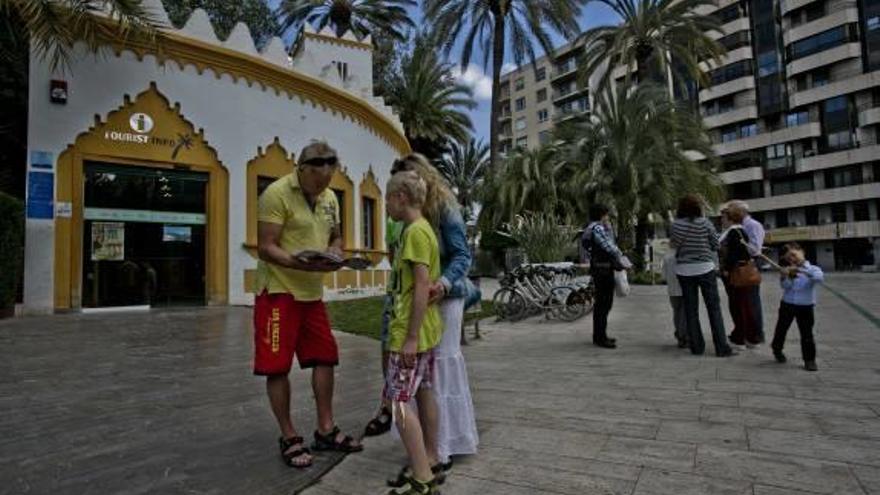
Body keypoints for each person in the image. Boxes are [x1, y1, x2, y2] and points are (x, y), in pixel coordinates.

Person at [253, 141, 362, 469]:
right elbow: (265, 247)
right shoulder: (276, 193)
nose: (323, 185)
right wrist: (300, 264)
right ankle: (288, 436)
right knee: (277, 366)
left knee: (326, 358)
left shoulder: (330, 198)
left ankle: (326, 429)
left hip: (312, 293)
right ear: (302, 168)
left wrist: (336, 252)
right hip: (278, 291)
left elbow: (336, 236)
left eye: (329, 178)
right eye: (317, 179)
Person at [389, 154, 478, 472]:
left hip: (446, 297)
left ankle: (445, 446)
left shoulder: (442, 208)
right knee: (426, 380)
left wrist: (442, 283)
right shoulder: (410, 222)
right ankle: (428, 449)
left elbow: (462, 255)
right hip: (420, 304)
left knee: (441, 366)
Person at [383, 170, 444, 495]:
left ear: (401, 198)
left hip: (411, 334)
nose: (386, 207)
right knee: (424, 391)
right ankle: (430, 459)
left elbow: (420, 285)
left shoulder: (414, 233)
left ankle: (422, 478)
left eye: (387, 199)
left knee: (398, 401)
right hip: (426, 332)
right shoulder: (424, 230)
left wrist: (408, 337)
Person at [670, 195, 736, 357]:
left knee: (691, 310)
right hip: (705, 269)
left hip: (684, 270)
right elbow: (715, 245)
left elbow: (674, 245)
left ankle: (696, 347)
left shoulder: (675, 225)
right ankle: (721, 347)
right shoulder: (705, 223)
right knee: (714, 308)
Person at [363, 216, 404, 438]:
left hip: (418, 291)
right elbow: (391, 251)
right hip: (395, 291)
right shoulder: (392, 220)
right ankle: (387, 406)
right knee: (388, 347)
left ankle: (406, 408)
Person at [582, 204, 631, 349]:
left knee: (601, 304)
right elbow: (609, 246)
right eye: (606, 215)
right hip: (603, 269)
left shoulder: (591, 227)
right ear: (602, 214)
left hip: (598, 268)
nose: (608, 217)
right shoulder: (597, 228)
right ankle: (600, 337)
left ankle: (600, 335)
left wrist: (608, 227)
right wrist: (623, 259)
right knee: (604, 303)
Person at [771, 243, 824, 371]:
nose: (792, 260)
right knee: (781, 329)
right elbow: (786, 287)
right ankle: (777, 349)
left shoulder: (813, 268)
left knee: (807, 334)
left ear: (802, 251)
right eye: (789, 259)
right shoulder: (789, 269)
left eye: (794, 255)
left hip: (805, 306)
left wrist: (801, 270)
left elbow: (819, 278)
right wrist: (785, 276)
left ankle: (809, 360)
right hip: (787, 304)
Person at [719, 206, 759, 347]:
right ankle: (748, 335)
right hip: (738, 271)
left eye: (723, 217)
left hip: (736, 273)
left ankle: (742, 336)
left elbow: (735, 253)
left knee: (739, 305)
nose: (721, 220)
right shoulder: (737, 231)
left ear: (731, 218)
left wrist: (727, 269)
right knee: (743, 304)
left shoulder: (734, 232)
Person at [727, 200, 766, 343]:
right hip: (739, 265)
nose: (730, 214)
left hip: (749, 264)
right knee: (742, 302)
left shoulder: (752, 226)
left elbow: (754, 248)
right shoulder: (739, 226)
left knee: (752, 300)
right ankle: (746, 331)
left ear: (741, 212)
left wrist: (740, 243)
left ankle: (757, 333)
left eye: (732, 211)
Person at [662, 247, 687, 348]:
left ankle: (679, 335)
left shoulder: (667, 257)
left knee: (676, 312)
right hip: (684, 289)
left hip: (672, 290)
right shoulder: (685, 257)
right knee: (684, 314)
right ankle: (683, 336)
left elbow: (663, 277)